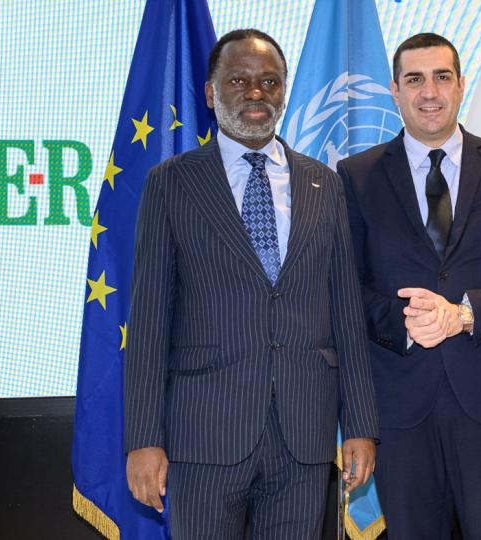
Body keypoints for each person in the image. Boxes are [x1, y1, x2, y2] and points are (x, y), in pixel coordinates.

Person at [123, 29, 378, 539]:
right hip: (204, 434)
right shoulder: (171, 183)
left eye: (270, 81)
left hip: (304, 434)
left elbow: (347, 313)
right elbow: (149, 319)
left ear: (283, 91)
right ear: (211, 92)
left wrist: (360, 425)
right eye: (238, 80)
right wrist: (144, 438)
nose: (256, 92)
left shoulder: (324, 184)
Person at [337, 33, 481, 539]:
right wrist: (407, 323)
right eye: (414, 79)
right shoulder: (355, 176)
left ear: (460, 84)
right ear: (395, 90)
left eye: (441, 77)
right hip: (399, 404)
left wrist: (464, 314)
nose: (429, 91)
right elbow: (343, 286)